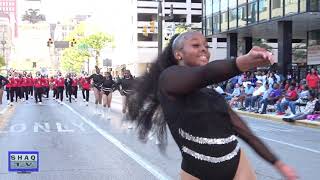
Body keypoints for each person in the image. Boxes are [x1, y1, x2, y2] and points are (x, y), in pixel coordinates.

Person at [127, 32, 297, 180]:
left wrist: (278, 163)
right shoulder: (169, 79)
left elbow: (246, 133)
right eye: (195, 45)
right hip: (197, 172)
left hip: (237, 166)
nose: (203, 49)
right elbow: (206, 73)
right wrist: (243, 62)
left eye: (206, 46)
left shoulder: (213, 96)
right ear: (178, 54)